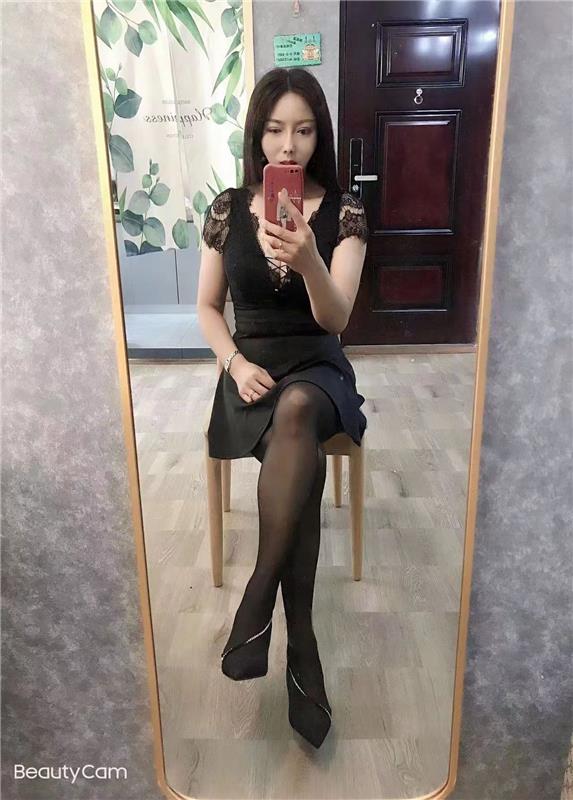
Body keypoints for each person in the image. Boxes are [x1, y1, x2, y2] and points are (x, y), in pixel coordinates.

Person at [197, 67, 368, 749]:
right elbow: (208, 309)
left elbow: (337, 318)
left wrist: (309, 262)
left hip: (317, 369)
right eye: (274, 130)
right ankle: (301, 644)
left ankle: (258, 597)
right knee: (295, 444)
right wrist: (234, 364)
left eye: (302, 130)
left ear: (319, 135)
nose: (288, 145)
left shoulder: (345, 211)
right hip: (250, 373)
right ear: (256, 135)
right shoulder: (225, 209)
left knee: (298, 409)